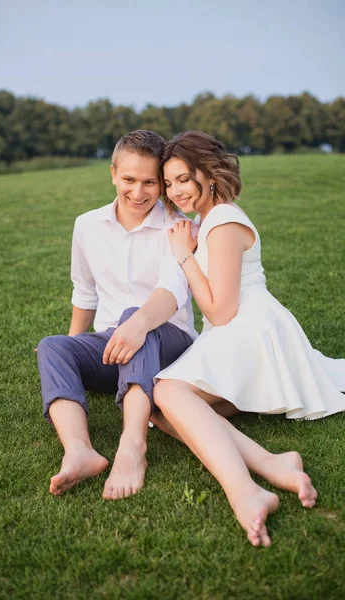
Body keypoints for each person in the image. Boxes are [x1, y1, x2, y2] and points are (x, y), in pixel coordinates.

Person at [154, 131, 345, 547]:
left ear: (209, 171)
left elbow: (221, 310)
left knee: (167, 393)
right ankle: (273, 464)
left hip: (248, 327)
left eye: (184, 178)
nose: (176, 191)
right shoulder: (210, 219)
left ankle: (244, 490)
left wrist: (183, 254)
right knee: (164, 410)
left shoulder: (222, 221)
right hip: (233, 329)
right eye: (169, 183)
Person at [36, 130, 198, 500]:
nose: (138, 192)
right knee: (53, 347)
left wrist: (137, 323)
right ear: (112, 173)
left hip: (169, 345)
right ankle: (79, 450)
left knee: (132, 316)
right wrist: (75, 347)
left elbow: (174, 290)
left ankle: (132, 446)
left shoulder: (180, 226)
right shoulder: (87, 225)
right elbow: (85, 291)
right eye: (128, 179)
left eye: (149, 183)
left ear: (162, 183)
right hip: (114, 347)